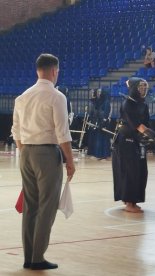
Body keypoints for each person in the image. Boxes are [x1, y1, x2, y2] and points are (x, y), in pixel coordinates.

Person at [11, 53, 75, 270]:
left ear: (37, 70)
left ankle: (29, 256)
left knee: (31, 206)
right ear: (54, 71)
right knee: (47, 206)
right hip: (47, 154)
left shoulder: (22, 97)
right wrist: (70, 161)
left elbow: (15, 130)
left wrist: (26, 151)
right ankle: (38, 257)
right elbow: (62, 133)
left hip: (25, 152)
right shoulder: (56, 97)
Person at [112, 77, 155, 213]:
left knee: (141, 172)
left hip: (137, 141)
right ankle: (129, 202)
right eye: (140, 86)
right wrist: (153, 135)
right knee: (130, 172)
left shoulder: (144, 105)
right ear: (134, 88)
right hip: (125, 142)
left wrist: (151, 138)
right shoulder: (127, 104)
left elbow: (146, 124)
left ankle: (134, 200)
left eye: (145, 86)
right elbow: (137, 125)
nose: (143, 89)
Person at [87, 88, 112, 160]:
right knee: (99, 138)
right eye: (97, 92)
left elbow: (106, 114)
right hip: (100, 122)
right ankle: (99, 154)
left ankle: (103, 155)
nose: (98, 93)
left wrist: (103, 122)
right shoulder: (100, 101)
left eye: (100, 92)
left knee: (103, 139)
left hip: (104, 123)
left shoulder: (106, 102)